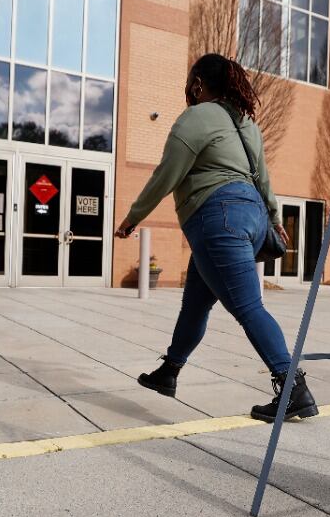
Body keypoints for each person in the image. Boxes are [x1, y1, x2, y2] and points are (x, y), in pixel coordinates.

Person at [115, 53, 317, 422]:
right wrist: (273, 216)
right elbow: (263, 180)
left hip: (217, 218)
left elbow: (167, 174)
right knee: (195, 303)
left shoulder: (196, 117)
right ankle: (169, 371)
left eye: (190, 84)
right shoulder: (247, 125)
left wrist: (133, 218)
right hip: (249, 217)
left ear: (198, 84)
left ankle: (293, 389)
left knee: (248, 307)